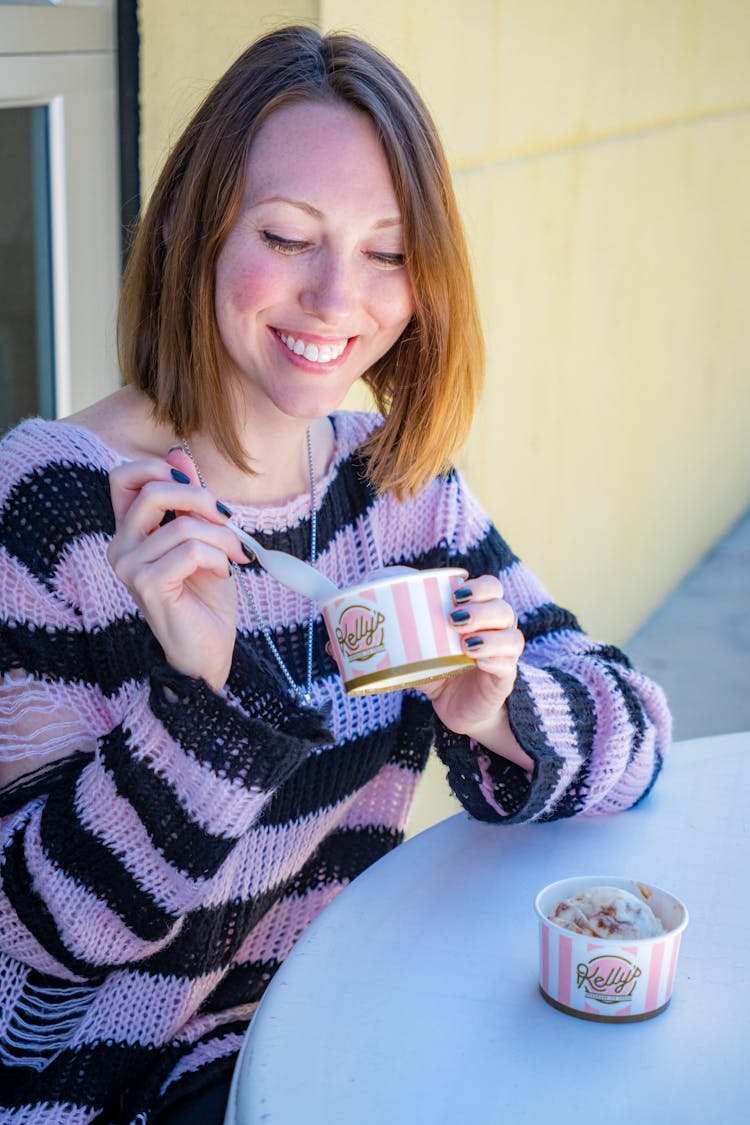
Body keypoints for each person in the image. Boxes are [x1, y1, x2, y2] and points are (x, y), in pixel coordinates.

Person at [0, 24, 670, 1125]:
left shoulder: (400, 488)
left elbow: (635, 729)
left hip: (332, 1029)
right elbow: (42, 926)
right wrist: (202, 700)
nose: (334, 299)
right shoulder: (60, 505)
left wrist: (500, 713)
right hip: (109, 1087)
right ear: (187, 224)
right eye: (286, 235)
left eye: (387, 252)